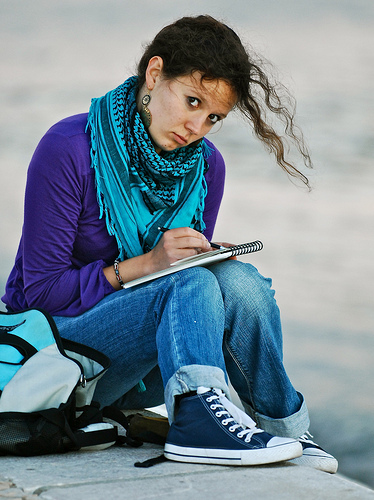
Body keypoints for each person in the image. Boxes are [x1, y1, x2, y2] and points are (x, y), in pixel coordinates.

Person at [2, 15, 337, 472]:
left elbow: (190, 286)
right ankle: (197, 420)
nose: (197, 126)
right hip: (54, 361)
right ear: (155, 74)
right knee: (188, 286)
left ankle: (287, 432)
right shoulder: (69, 148)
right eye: (192, 101)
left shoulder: (206, 168)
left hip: (134, 368)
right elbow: (38, 294)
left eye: (214, 117)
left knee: (236, 280)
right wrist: (150, 263)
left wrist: (197, 257)